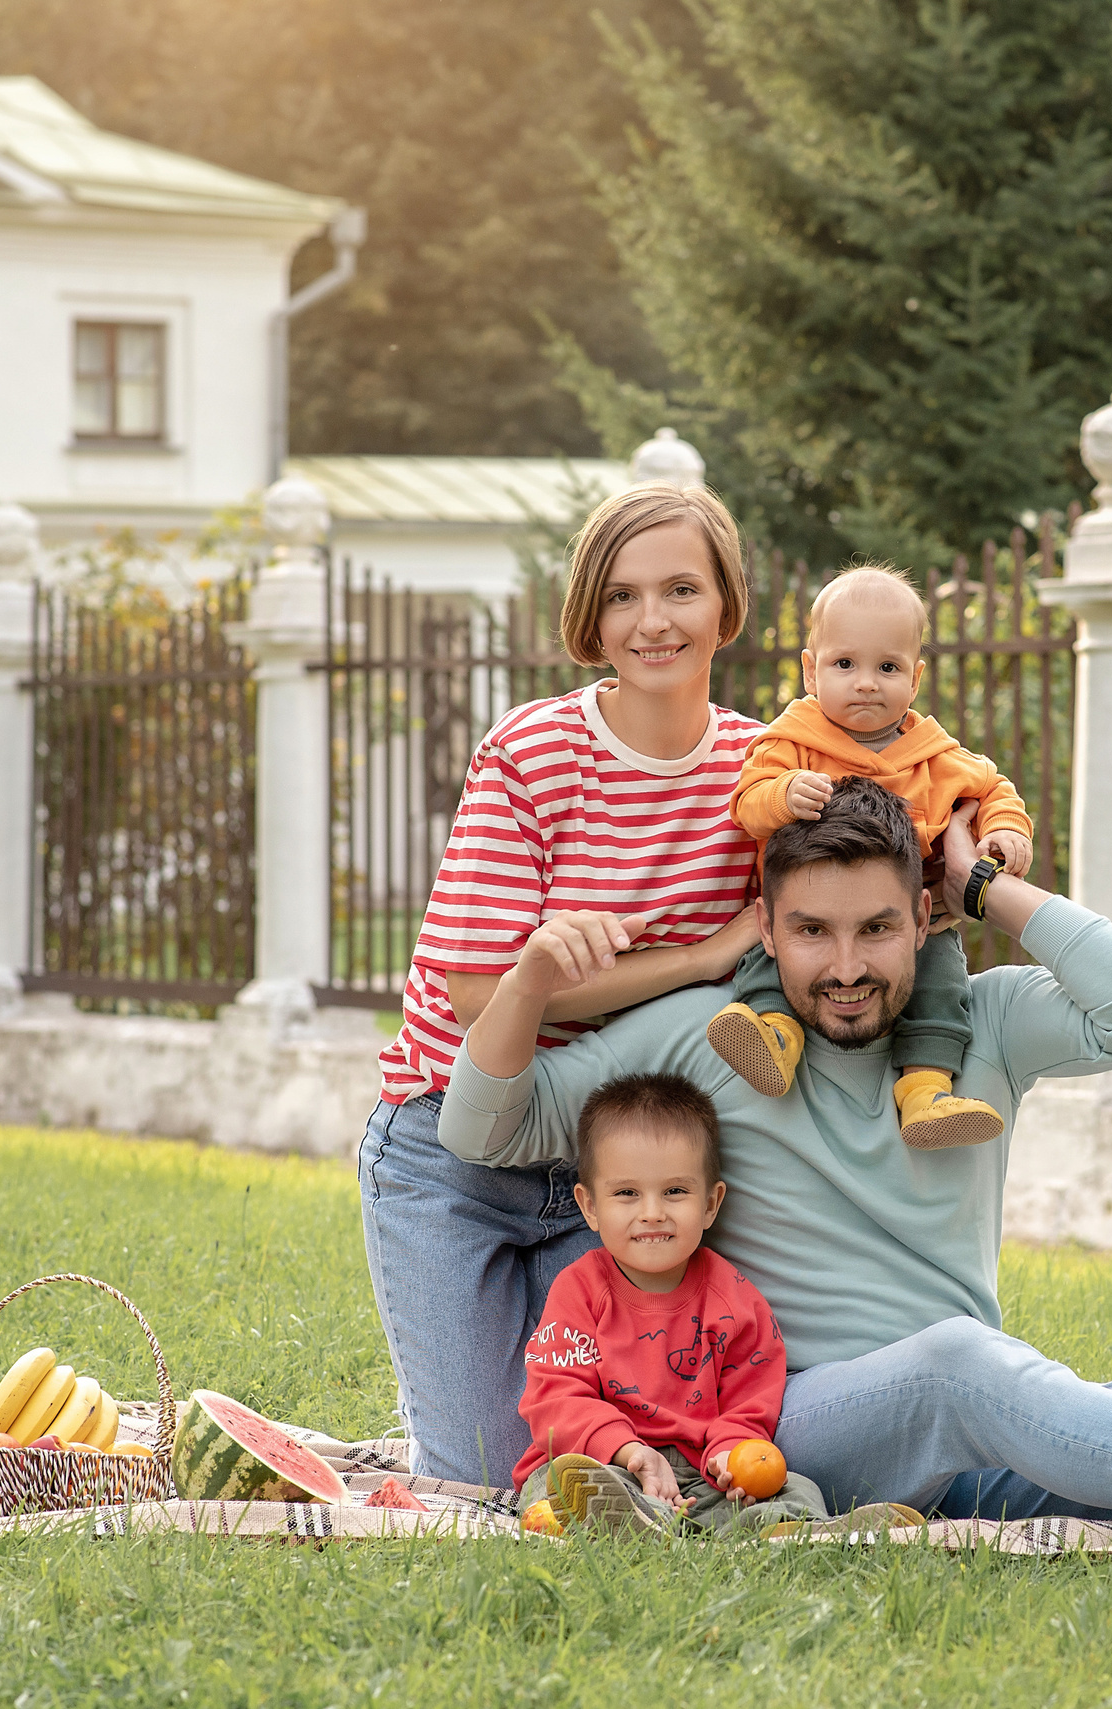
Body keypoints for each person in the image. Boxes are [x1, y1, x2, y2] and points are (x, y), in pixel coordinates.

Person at [438, 778, 1112, 1569]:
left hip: (963, 1425)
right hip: (783, 1421)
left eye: (876, 927)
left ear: (923, 919)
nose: (844, 963)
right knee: (957, 1361)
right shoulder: (708, 1035)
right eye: (810, 929)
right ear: (767, 924)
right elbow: (483, 1125)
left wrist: (985, 884)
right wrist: (530, 977)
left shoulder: (982, 1025)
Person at [357, 482, 768, 1486]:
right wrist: (697, 957)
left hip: (617, 1169)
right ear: (592, 616)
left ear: (725, 604)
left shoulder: (762, 769)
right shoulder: (535, 752)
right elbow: (477, 989)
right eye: (622, 596)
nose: (652, 620)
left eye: (680, 588)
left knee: (596, 1466)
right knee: (488, 1477)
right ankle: (439, 1428)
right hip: (451, 1151)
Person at [707, 566, 1032, 1150]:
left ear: (916, 678)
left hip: (911, 923)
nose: (865, 683)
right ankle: (773, 1036)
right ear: (811, 670)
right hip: (806, 912)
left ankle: (926, 1091)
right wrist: (781, 796)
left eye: (887, 667)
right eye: (844, 665)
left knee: (940, 982)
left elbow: (993, 791)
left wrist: (1006, 834)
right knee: (770, 953)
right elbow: (746, 804)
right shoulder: (791, 742)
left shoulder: (936, 756)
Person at [509, 1071, 838, 1537]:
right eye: (626, 1193)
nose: (652, 1212)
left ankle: (792, 1533)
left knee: (795, 1488)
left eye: (675, 1191)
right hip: (606, 1462)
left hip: (698, 1474)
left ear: (710, 1203)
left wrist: (730, 1451)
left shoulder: (735, 1298)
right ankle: (623, 1519)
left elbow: (751, 1397)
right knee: (560, 1483)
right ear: (590, 1207)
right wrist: (628, 1451)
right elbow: (556, 1397)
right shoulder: (579, 1290)